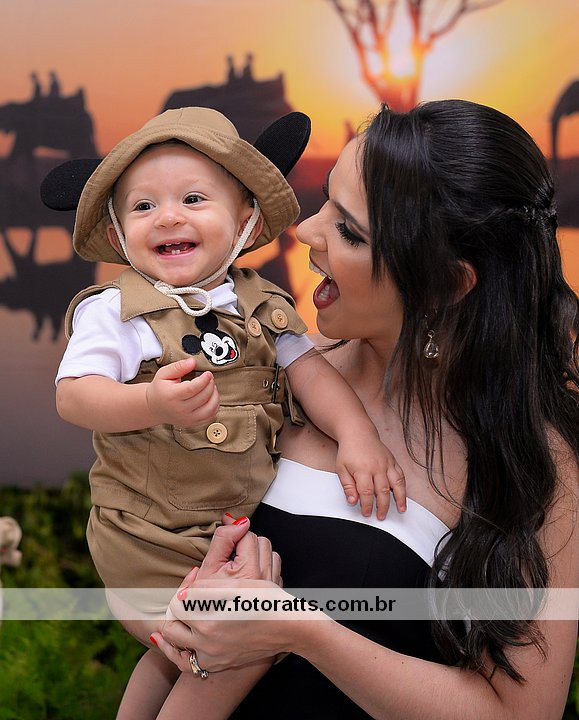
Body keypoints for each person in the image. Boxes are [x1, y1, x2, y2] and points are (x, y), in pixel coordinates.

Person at [152, 100, 579, 720]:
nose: (306, 231)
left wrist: (302, 631)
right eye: (326, 201)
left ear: (446, 283)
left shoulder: (533, 458)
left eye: (350, 232)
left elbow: (520, 712)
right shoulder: (266, 369)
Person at [49, 107, 407, 719]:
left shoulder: (262, 303)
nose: (168, 217)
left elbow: (311, 373)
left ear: (245, 222)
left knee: (180, 650)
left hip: (227, 524)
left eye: (193, 198)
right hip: (149, 533)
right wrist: (149, 401)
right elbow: (74, 394)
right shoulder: (117, 312)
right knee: (237, 642)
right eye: (143, 206)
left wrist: (357, 436)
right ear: (117, 235)